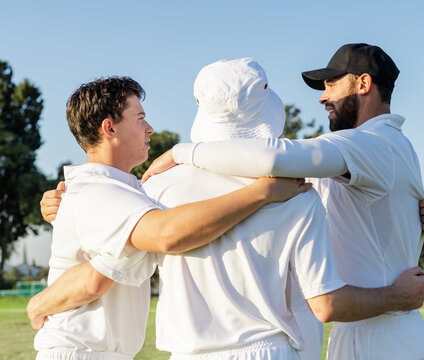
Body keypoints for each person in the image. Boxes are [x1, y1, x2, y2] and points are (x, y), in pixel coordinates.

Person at [37, 58, 424, 359]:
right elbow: (325, 303)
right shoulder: (298, 191)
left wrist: (67, 212)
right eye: (141, 118)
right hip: (272, 350)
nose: (150, 128)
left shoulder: (154, 191)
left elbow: (117, 255)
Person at [143, 44, 424, 359]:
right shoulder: (368, 152)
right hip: (368, 327)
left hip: (380, 332)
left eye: (332, 85)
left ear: (363, 84)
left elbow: (273, 157)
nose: (323, 97)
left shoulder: (370, 143)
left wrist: (182, 152)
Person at [27, 76, 310, 360]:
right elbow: (166, 234)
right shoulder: (100, 191)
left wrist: (181, 154)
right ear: (109, 128)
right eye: (140, 119)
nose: (150, 129)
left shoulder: (118, 192)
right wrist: (262, 191)